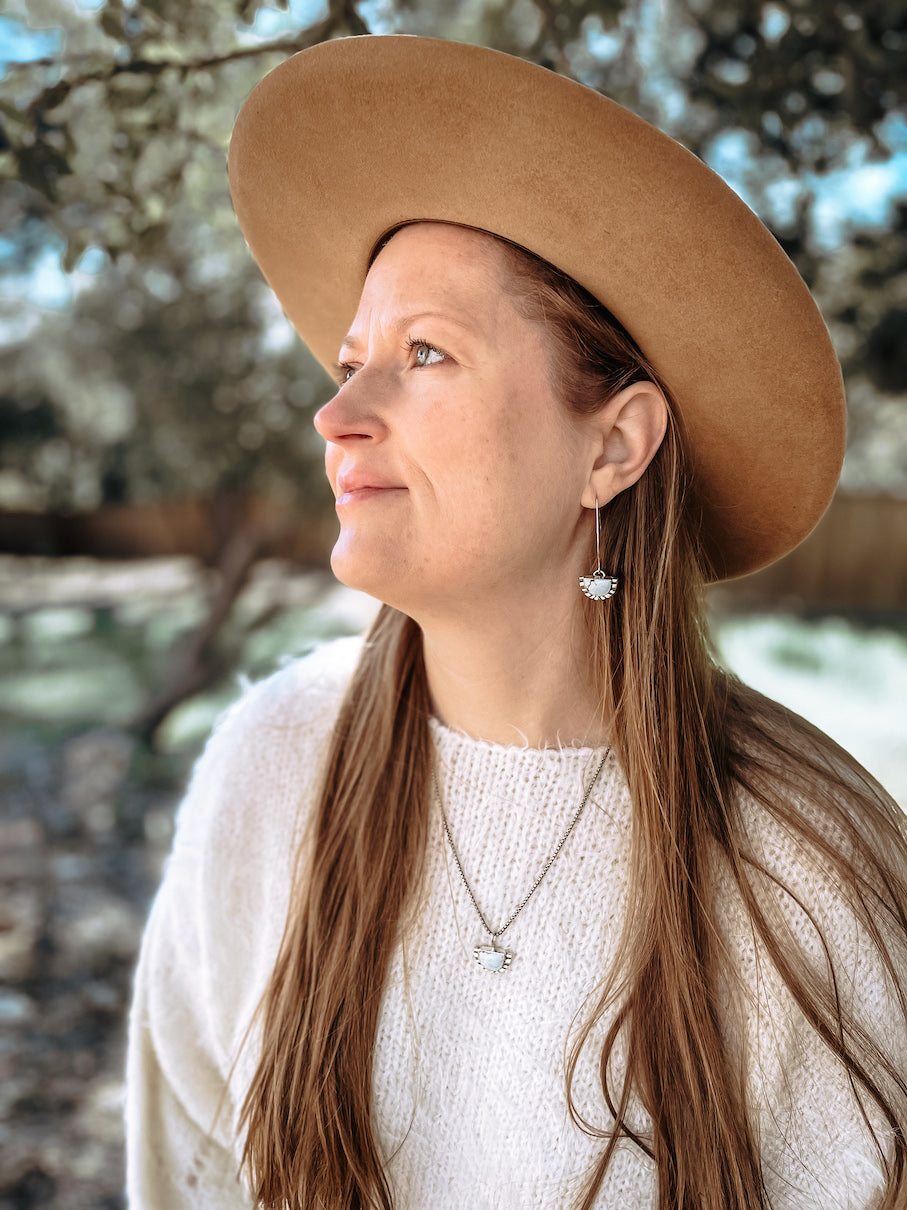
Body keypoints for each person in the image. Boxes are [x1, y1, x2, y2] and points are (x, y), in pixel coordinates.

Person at [125, 35, 907, 1210]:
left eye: (425, 352)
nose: (337, 414)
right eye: (350, 361)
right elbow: (183, 1173)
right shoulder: (269, 767)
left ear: (611, 445)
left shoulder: (806, 883)